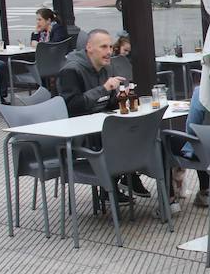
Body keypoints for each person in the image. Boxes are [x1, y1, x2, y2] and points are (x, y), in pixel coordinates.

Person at [58, 29, 148, 199]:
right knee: (115, 134)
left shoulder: (106, 67)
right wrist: (104, 89)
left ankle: (130, 175)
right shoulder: (71, 70)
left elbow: (108, 102)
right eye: (103, 47)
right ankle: (114, 185)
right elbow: (72, 107)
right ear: (89, 47)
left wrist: (123, 96)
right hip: (80, 132)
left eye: (110, 47)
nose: (109, 52)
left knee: (139, 130)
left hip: (102, 124)